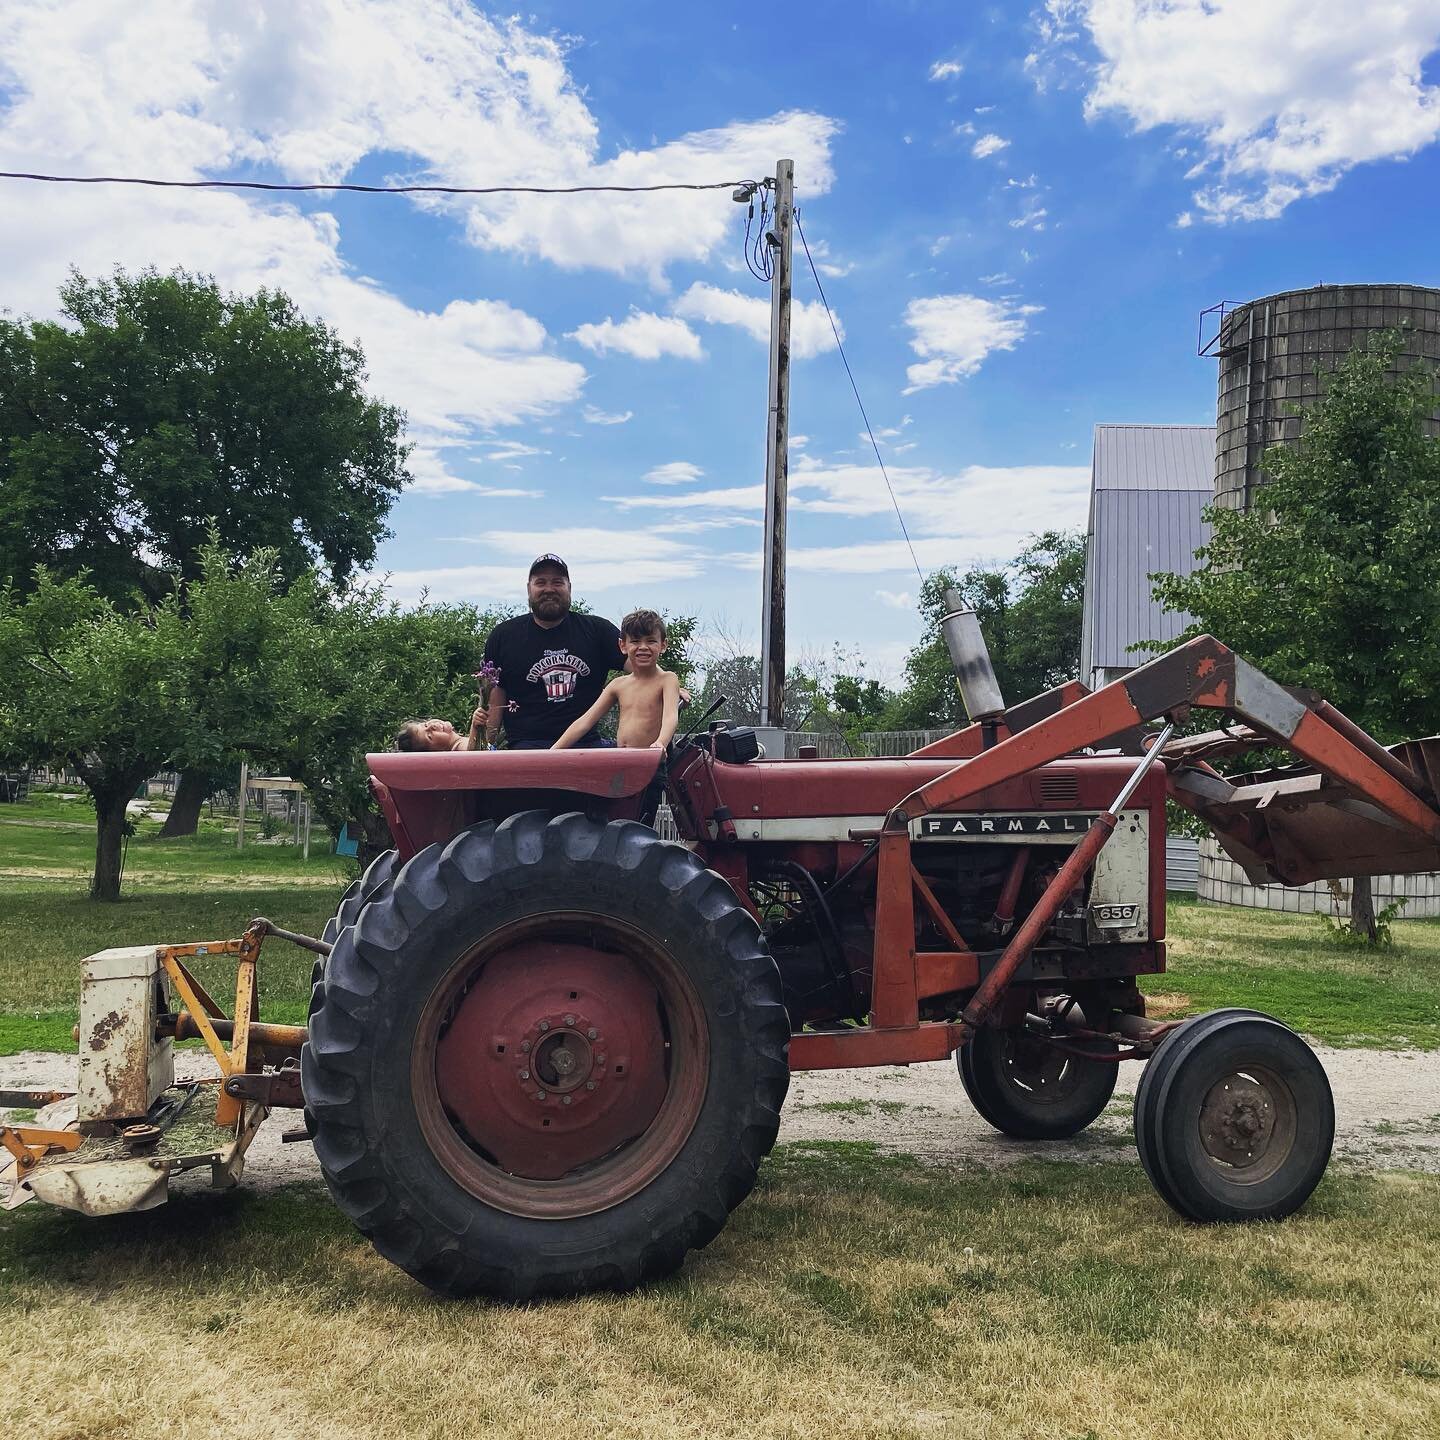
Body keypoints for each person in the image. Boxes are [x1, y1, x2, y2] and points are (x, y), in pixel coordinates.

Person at [479, 554, 627, 750]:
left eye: (557, 582)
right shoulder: (504, 635)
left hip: (587, 746)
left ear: (569, 588)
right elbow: (494, 699)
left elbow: (643, 670)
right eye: (541, 582)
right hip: (526, 749)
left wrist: (669, 685)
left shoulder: (598, 630)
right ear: (529, 589)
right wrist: (486, 747)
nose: (549, 589)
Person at [552, 610, 681, 751]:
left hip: (651, 760)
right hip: (622, 760)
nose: (643, 647)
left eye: (651, 641)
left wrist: (661, 743)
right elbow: (585, 721)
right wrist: (553, 751)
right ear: (623, 645)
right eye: (635, 641)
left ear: (663, 645)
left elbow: (670, 717)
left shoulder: (667, 680)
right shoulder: (618, 685)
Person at [394, 706, 486, 752]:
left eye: (425, 725)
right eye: (429, 736)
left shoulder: (459, 741)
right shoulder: (457, 748)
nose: (432, 726)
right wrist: (475, 727)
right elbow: (471, 753)